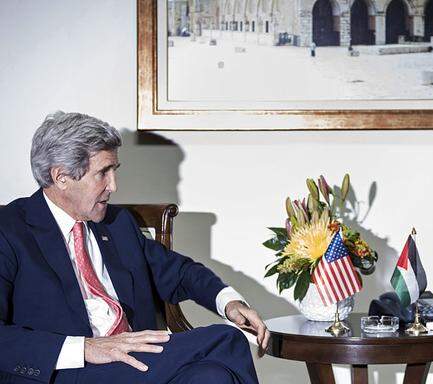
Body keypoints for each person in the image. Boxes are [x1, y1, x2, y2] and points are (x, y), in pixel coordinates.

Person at [0, 112, 269, 384]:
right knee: (228, 339)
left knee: (213, 376)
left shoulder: (117, 225)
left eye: (114, 171)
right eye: (102, 173)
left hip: (133, 367)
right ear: (61, 177)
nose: (113, 186)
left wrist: (228, 301)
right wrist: (85, 348)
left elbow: (179, 272)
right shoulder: (8, 230)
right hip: (64, 372)